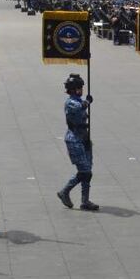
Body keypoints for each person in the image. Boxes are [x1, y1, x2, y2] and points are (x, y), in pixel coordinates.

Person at [56, 73, 98, 211]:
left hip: (84, 138)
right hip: (74, 140)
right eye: (79, 88)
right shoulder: (70, 102)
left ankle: (85, 201)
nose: (81, 90)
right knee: (85, 172)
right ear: (73, 89)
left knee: (88, 171)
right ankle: (65, 191)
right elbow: (80, 107)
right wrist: (88, 102)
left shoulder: (79, 100)